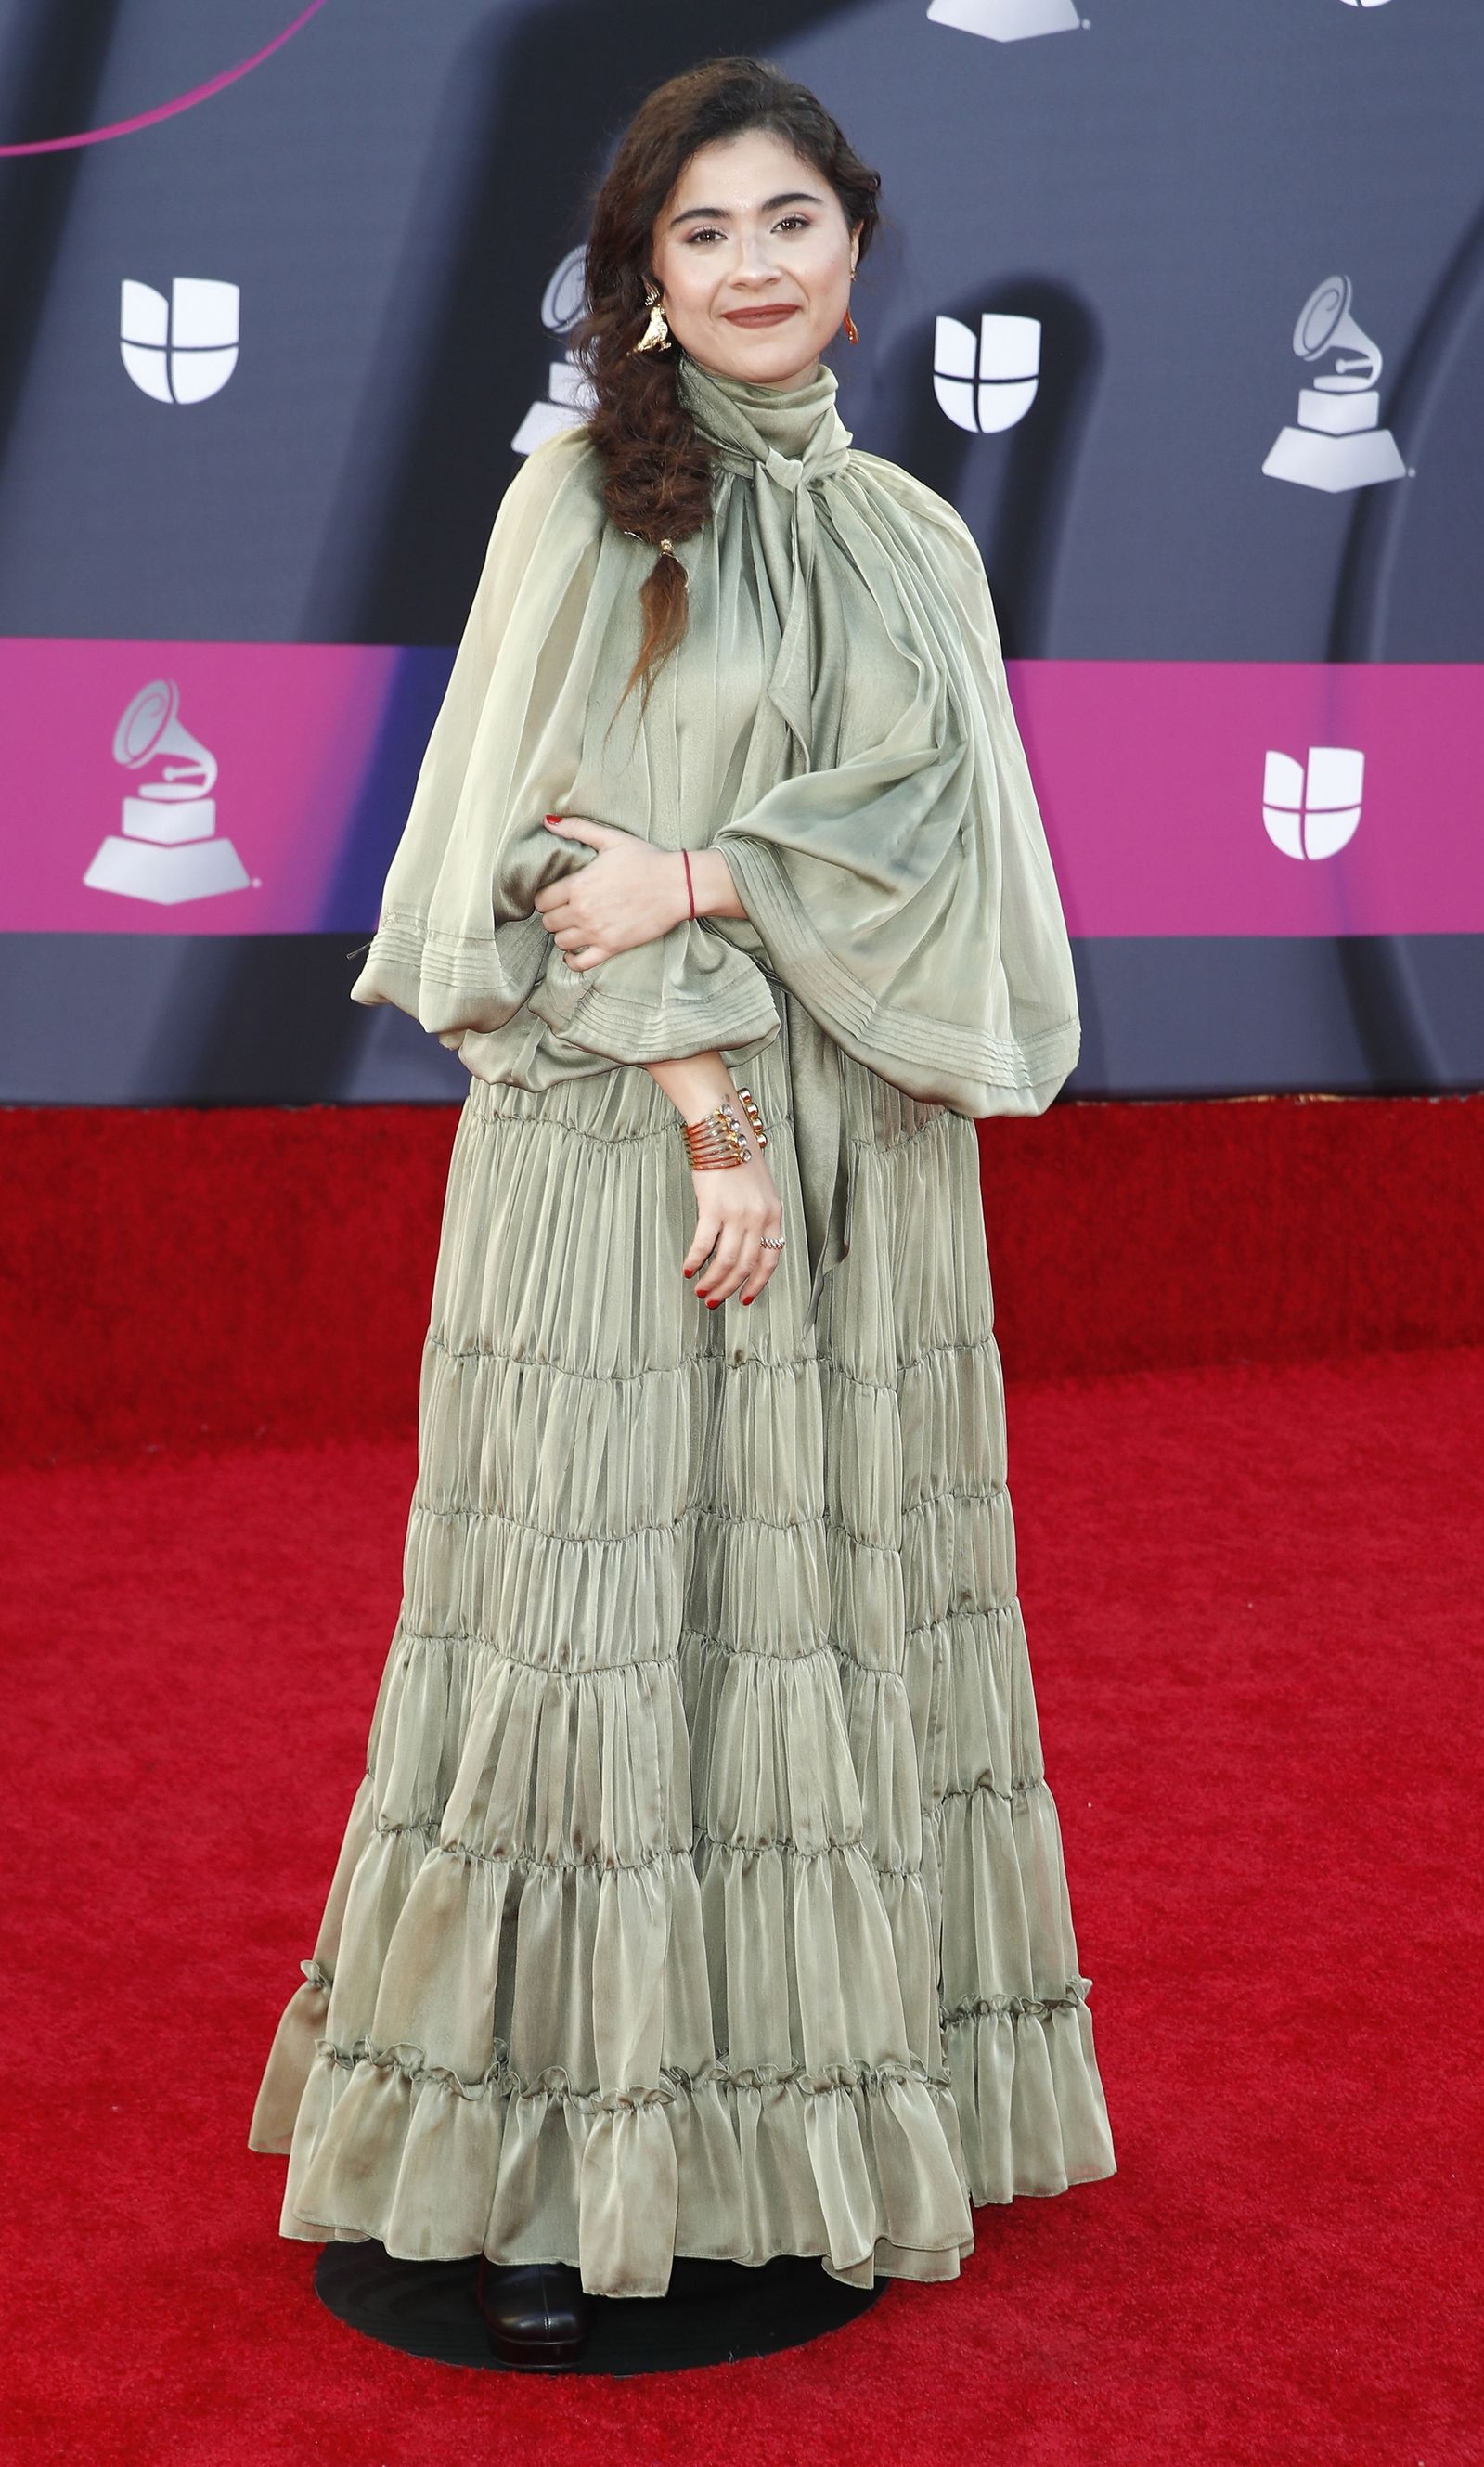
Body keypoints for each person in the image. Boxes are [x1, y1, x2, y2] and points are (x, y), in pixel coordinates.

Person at [248, 55, 1116, 2370]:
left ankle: (785, 2142)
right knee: (593, 1634)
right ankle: (552, 2152)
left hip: (865, 1170)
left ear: (855, 248)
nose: (752, 267)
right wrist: (715, 1103)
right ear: (641, 277)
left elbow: (948, 864)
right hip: (628, 1149)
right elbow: (532, 861)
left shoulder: (914, 540)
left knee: (813, 1619)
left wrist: (723, 872)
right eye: (703, 233)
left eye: (790, 224)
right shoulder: (578, 511)